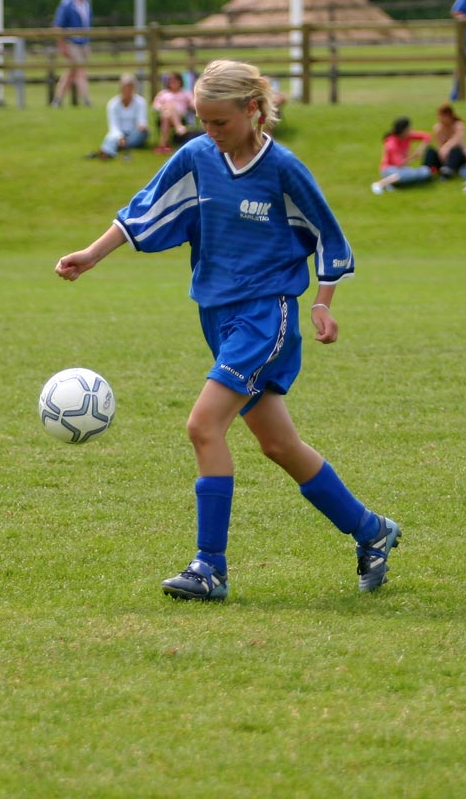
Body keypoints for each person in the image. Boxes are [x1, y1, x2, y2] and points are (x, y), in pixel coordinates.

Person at [54, 59, 401, 602]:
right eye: (201, 121)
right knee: (279, 445)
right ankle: (372, 531)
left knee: (202, 427)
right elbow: (144, 210)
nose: (209, 133)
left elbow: (330, 236)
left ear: (253, 110)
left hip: (266, 316)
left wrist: (323, 302)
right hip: (217, 316)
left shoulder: (283, 169)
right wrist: (93, 256)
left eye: (220, 123)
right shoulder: (196, 157)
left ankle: (209, 567)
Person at [51, 0, 92, 108]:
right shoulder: (67, 4)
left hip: (83, 43)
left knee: (70, 73)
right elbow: (58, 26)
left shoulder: (85, 4)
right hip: (71, 43)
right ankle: (86, 100)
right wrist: (62, 45)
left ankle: (57, 100)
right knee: (80, 71)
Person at [88, 73, 149, 160]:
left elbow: (142, 120)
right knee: (112, 136)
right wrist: (120, 136)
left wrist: (142, 125)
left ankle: (110, 148)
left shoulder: (141, 102)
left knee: (142, 133)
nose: (127, 91)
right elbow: (113, 125)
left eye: (130, 88)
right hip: (119, 133)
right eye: (125, 88)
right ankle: (110, 151)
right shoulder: (113, 104)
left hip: (135, 133)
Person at [371, 116, 436, 193]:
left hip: (403, 170)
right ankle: (379, 184)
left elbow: (427, 136)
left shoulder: (408, 136)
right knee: (402, 175)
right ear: (403, 130)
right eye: (409, 129)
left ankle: (392, 183)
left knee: (426, 172)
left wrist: (421, 149)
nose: (411, 130)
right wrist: (414, 156)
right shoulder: (392, 143)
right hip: (389, 169)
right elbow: (399, 163)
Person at [151, 72, 196, 154]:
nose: (173, 83)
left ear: (180, 82)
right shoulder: (163, 93)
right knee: (167, 113)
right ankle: (178, 127)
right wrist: (164, 107)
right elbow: (155, 105)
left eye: (176, 81)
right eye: (171, 81)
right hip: (165, 114)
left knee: (170, 109)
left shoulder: (185, 93)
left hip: (181, 116)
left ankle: (162, 144)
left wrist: (192, 105)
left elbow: (193, 103)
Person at [425, 103, 466, 178]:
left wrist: (446, 148)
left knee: (456, 150)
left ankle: (448, 170)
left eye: (442, 116)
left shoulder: (459, 125)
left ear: (448, 116)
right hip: (443, 156)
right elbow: (439, 145)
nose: (439, 118)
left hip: (458, 157)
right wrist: (442, 152)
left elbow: (456, 140)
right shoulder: (438, 128)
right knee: (430, 151)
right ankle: (428, 170)